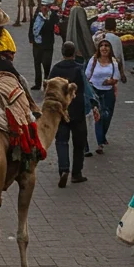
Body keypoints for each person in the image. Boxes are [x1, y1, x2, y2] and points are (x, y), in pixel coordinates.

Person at [49, 42, 92, 188]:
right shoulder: (78, 69)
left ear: (62, 52)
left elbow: (49, 88)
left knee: (61, 141)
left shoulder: (55, 69)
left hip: (61, 111)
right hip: (77, 111)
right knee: (79, 143)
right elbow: (86, 89)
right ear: (74, 53)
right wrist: (93, 104)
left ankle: (63, 170)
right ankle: (77, 173)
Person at [85, 39, 123, 153]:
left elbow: (117, 77)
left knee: (107, 116)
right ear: (99, 48)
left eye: (107, 46)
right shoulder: (94, 60)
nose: (104, 48)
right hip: (95, 91)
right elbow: (87, 75)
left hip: (108, 92)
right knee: (98, 117)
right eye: (102, 46)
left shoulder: (113, 63)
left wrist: (109, 81)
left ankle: (102, 136)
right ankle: (99, 143)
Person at [28, 0, 58, 91]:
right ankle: (37, 84)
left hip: (47, 45)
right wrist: (31, 38)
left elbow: (50, 27)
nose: (44, 8)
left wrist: (45, 18)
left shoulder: (52, 16)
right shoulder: (37, 14)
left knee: (46, 64)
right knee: (37, 64)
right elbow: (31, 26)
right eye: (43, 6)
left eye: (46, 6)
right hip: (37, 44)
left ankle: (46, 83)